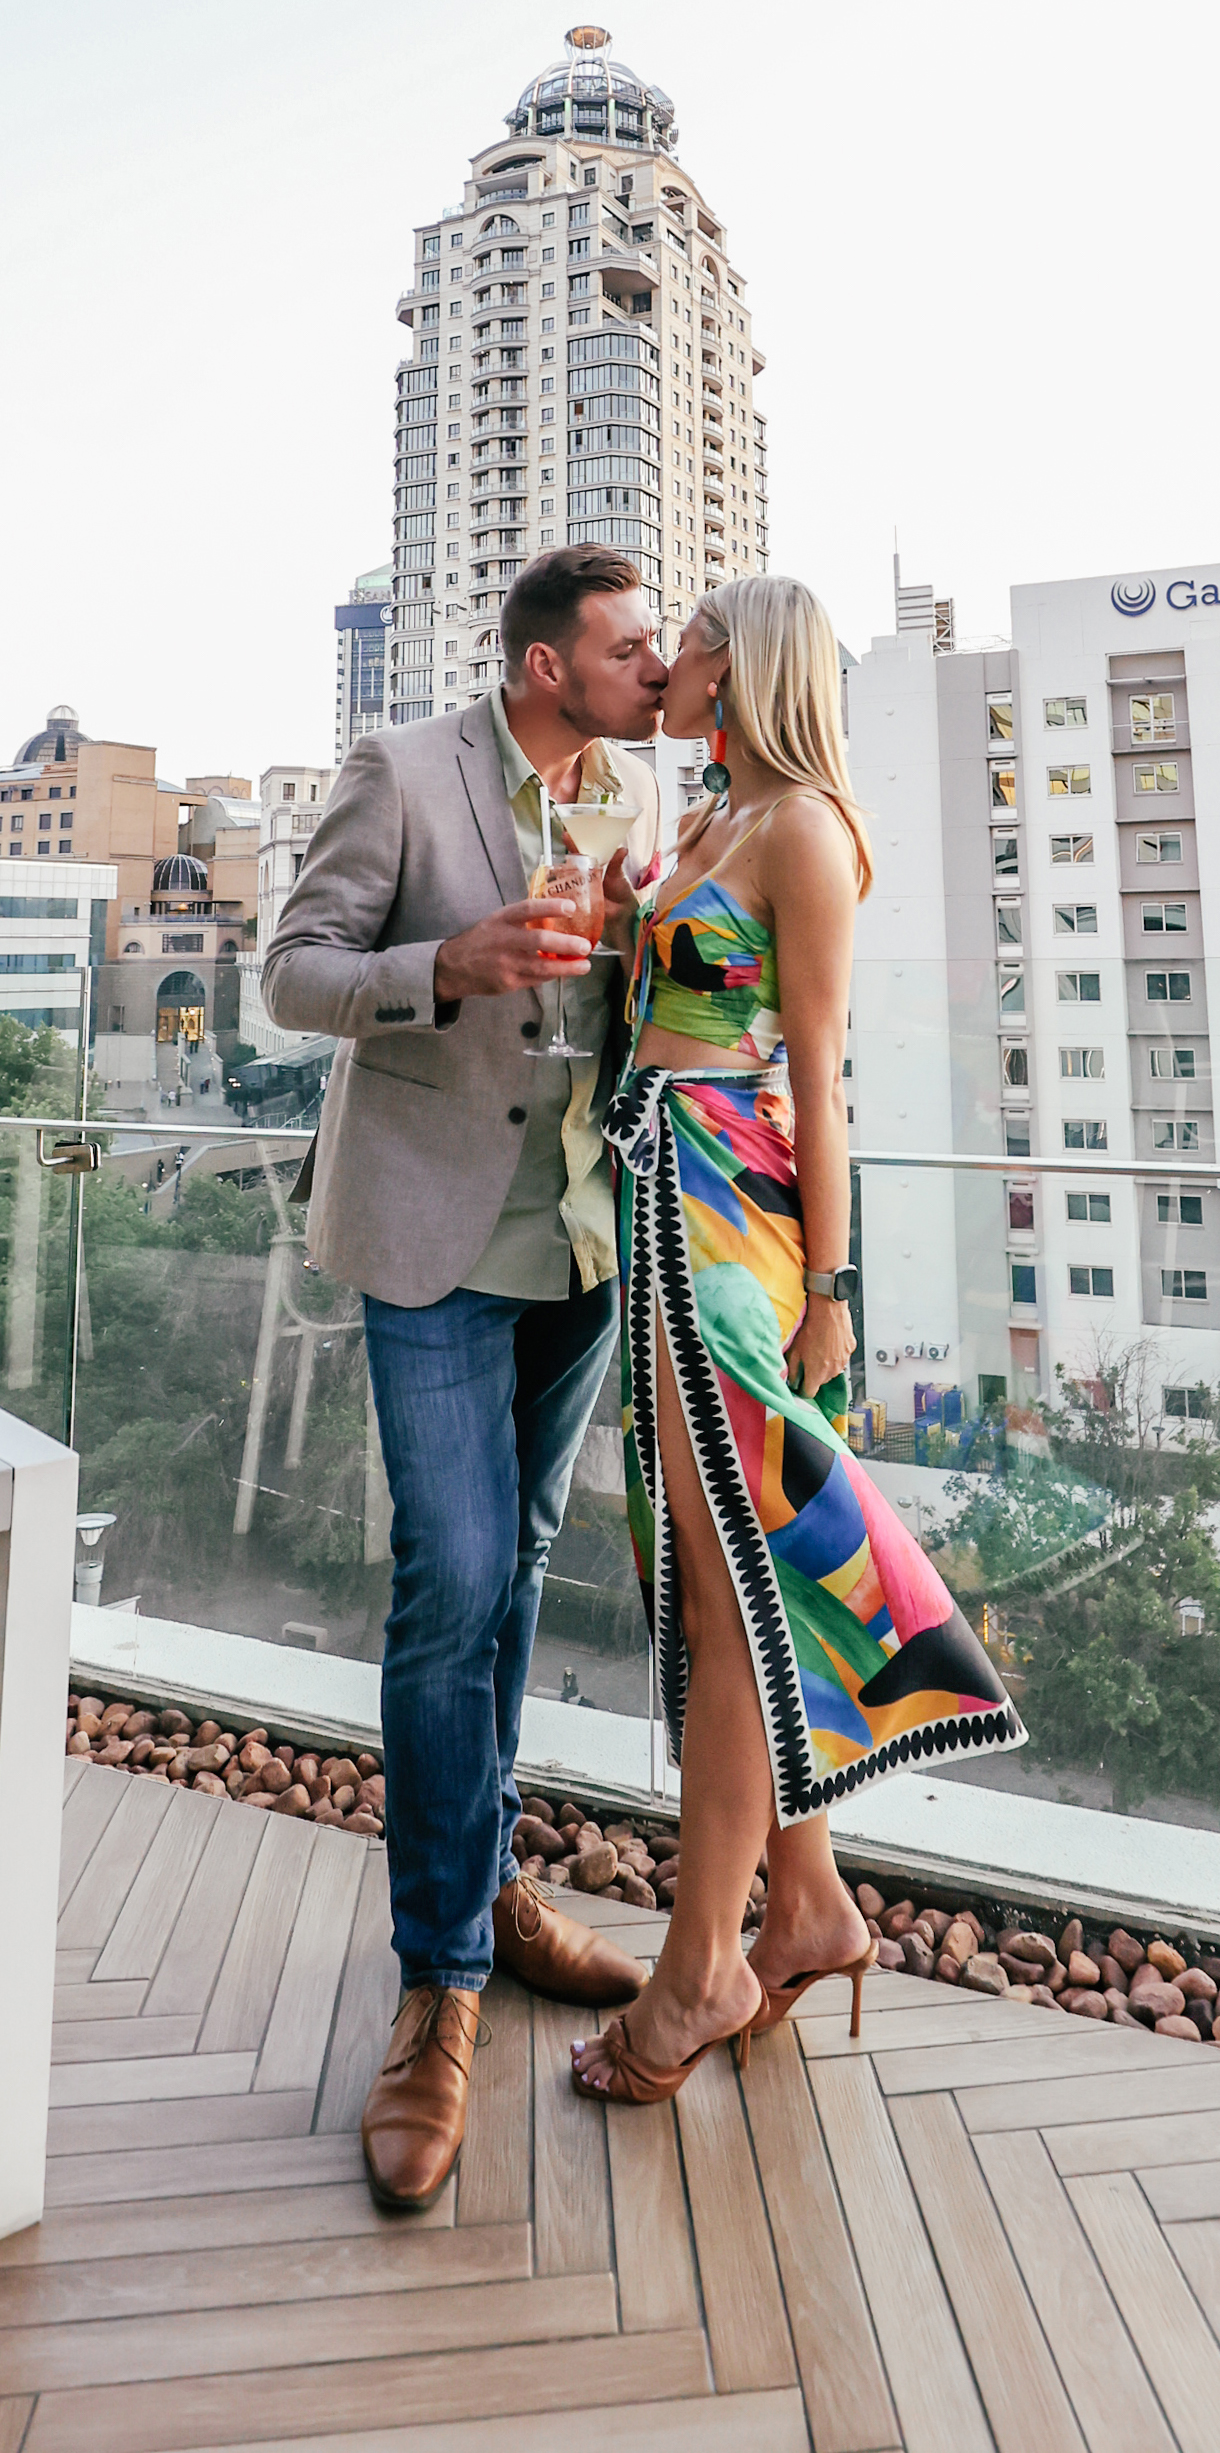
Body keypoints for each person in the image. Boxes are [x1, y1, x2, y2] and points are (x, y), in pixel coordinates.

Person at [570, 576, 1023, 2106]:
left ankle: (698, 1971)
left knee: (723, 1593)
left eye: (685, 639)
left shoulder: (806, 830)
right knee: (715, 1582)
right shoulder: (706, 822)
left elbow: (816, 1080)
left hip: (725, 1222)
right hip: (653, 1197)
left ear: (741, 662)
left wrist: (834, 1292)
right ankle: (810, 1901)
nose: (664, 659)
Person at [262, 542, 667, 2208]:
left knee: (513, 1594)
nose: (656, 667)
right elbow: (289, 973)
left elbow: (627, 1015)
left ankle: (490, 1891)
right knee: (455, 1584)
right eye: (631, 646)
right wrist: (452, 967)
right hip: (431, 1256)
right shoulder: (400, 771)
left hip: (576, 1252)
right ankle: (437, 1981)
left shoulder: (635, 791)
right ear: (541, 667)